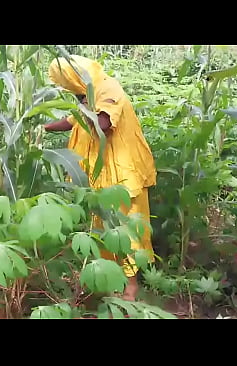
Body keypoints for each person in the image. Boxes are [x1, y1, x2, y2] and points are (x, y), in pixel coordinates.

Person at [45, 55, 157, 301]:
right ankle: (107, 285)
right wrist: (43, 127)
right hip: (101, 176)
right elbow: (71, 121)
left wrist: (85, 105)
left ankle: (130, 290)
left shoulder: (107, 88)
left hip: (121, 176)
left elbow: (102, 123)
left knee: (125, 230)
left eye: (64, 82)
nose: (64, 88)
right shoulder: (88, 93)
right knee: (102, 228)